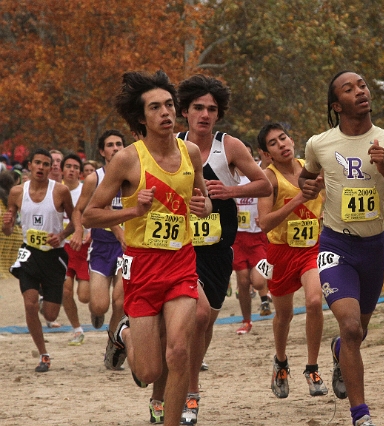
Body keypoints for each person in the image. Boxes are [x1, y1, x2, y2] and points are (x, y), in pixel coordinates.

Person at [82, 70, 212, 426]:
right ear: (142, 117)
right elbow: (91, 215)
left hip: (181, 263)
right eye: (155, 107)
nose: (166, 113)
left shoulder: (192, 152)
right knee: (148, 370)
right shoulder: (126, 159)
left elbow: (203, 198)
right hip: (142, 268)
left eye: (170, 105)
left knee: (180, 352)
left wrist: (205, 207)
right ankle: (123, 332)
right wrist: (133, 211)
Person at [148, 74, 271, 426]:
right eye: (198, 108)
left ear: (218, 114)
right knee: (195, 317)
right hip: (180, 249)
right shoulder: (171, 144)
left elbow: (264, 183)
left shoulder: (229, 146)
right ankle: (188, 392)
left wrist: (227, 192)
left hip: (217, 250)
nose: (205, 115)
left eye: (212, 109)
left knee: (203, 323)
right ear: (184, 111)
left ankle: (171, 389)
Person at [299, 71, 384, 426]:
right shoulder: (319, 144)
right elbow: (305, 177)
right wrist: (308, 188)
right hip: (335, 244)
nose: (361, 91)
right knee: (350, 327)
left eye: (363, 85)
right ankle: (360, 414)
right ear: (337, 106)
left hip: (373, 246)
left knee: (357, 332)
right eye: (349, 89)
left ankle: (339, 353)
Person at [255, 122, 327, 399]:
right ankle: (281, 363)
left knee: (314, 301)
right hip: (281, 252)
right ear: (267, 153)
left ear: (292, 139)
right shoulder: (269, 178)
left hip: (311, 248)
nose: (281, 144)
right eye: (273, 143)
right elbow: (264, 223)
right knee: (283, 315)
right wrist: (298, 199)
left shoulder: (311, 169)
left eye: (283, 138)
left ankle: (312, 367)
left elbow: (328, 199)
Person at [2, 148, 75, 372]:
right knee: (29, 303)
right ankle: (44, 355)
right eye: (38, 163)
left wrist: (62, 235)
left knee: (51, 314)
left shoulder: (60, 191)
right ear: (30, 166)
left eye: (46, 164)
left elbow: (75, 222)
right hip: (30, 253)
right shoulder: (16, 192)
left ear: (51, 168)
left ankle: (46, 302)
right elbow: (7, 230)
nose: (42, 167)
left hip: (54, 256)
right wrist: (7, 223)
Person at [70, 130, 127, 363]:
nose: (115, 148)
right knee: (99, 304)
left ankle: (112, 345)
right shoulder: (95, 178)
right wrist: (78, 229)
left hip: (127, 246)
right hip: (102, 247)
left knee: (121, 301)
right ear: (102, 152)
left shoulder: (134, 175)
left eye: (119, 144)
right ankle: (96, 312)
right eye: (110, 145)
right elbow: (79, 210)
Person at [233, 140, 272, 327]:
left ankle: (267, 291)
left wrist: (265, 216)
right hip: (238, 237)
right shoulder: (228, 175)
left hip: (257, 235)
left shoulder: (258, 172)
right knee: (242, 280)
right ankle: (246, 320)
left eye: (247, 155)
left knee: (257, 281)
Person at [61, 153, 91, 345]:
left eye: (75, 167)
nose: (71, 170)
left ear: (79, 173)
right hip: (64, 248)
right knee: (65, 290)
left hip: (85, 247)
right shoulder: (57, 190)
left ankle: (96, 315)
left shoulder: (85, 191)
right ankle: (77, 329)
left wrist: (92, 232)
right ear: (62, 169)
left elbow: (96, 212)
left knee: (85, 297)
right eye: (68, 166)